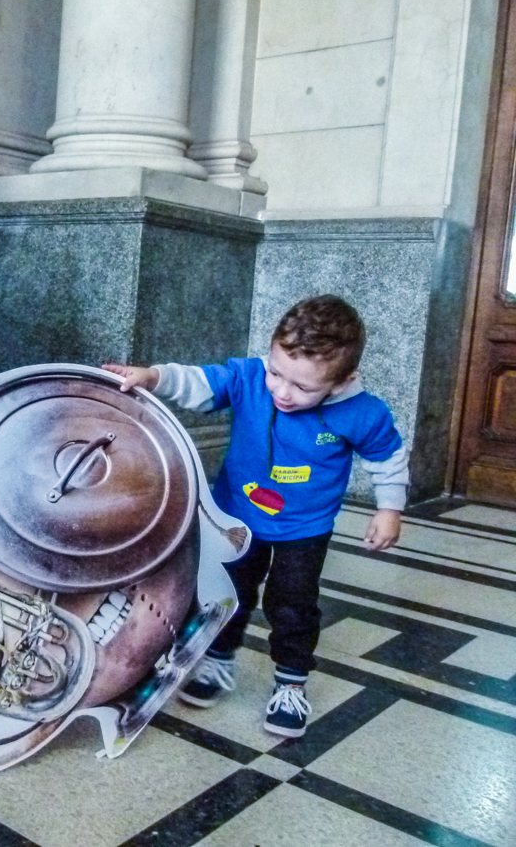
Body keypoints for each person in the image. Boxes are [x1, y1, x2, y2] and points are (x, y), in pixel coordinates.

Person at [104, 295, 408, 738]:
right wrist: (153, 376)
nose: (282, 392)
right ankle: (218, 661)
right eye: (276, 372)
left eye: (303, 387)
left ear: (343, 382)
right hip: (236, 520)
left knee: (292, 605)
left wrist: (389, 509)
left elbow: (389, 458)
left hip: (304, 530)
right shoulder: (250, 379)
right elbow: (202, 382)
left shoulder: (362, 412)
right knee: (225, 593)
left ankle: (291, 683)